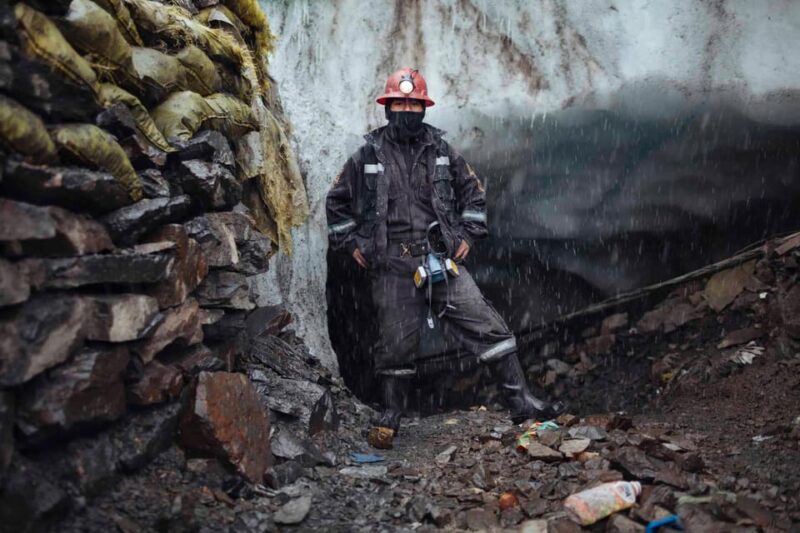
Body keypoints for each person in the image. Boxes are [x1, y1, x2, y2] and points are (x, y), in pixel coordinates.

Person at [326, 67, 561, 435]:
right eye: (400, 102)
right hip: (392, 264)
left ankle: (521, 402)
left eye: (413, 103)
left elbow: (474, 191)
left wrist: (470, 232)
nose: (407, 109)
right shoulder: (365, 157)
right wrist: (350, 243)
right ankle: (391, 415)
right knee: (394, 343)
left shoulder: (441, 152)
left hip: (441, 260)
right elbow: (336, 203)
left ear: (424, 108)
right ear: (387, 107)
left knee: (488, 326)